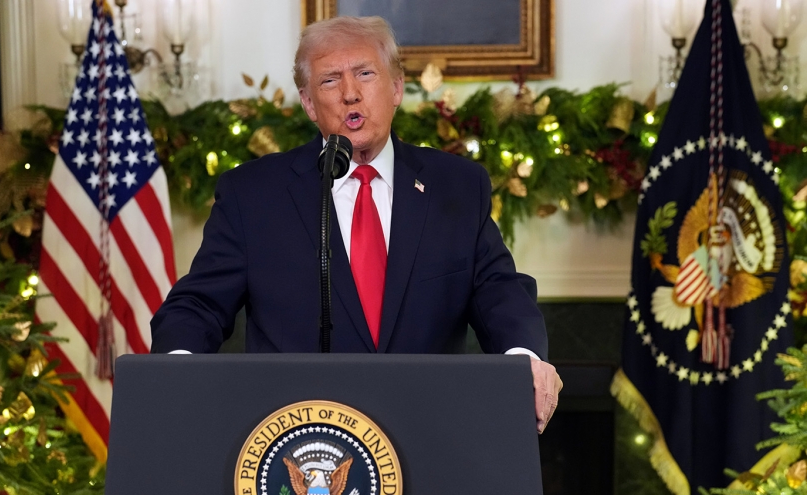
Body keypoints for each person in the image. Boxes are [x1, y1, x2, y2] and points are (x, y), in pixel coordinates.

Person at [150, 16, 562, 434]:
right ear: (309, 104)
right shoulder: (253, 194)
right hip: (302, 439)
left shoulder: (456, 185)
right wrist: (178, 369)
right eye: (330, 80)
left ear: (396, 88)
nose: (350, 93)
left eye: (365, 74)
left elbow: (499, 290)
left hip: (428, 431)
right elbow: (199, 305)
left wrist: (524, 358)